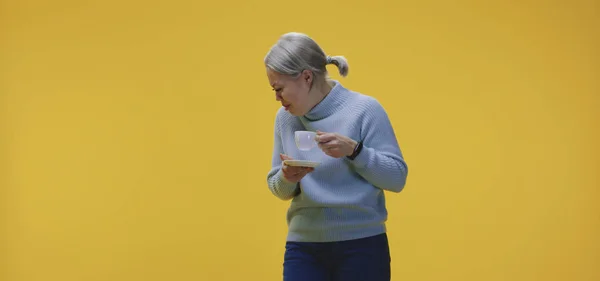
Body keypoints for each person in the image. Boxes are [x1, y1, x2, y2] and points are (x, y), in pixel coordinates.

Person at [264, 32, 409, 281]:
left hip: (362, 246)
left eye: (279, 88)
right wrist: (287, 177)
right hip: (304, 248)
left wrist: (355, 151)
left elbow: (397, 178)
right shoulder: (285, 118)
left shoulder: (365, 110)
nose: (277, 97)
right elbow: (278, 188)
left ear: (307, 77)